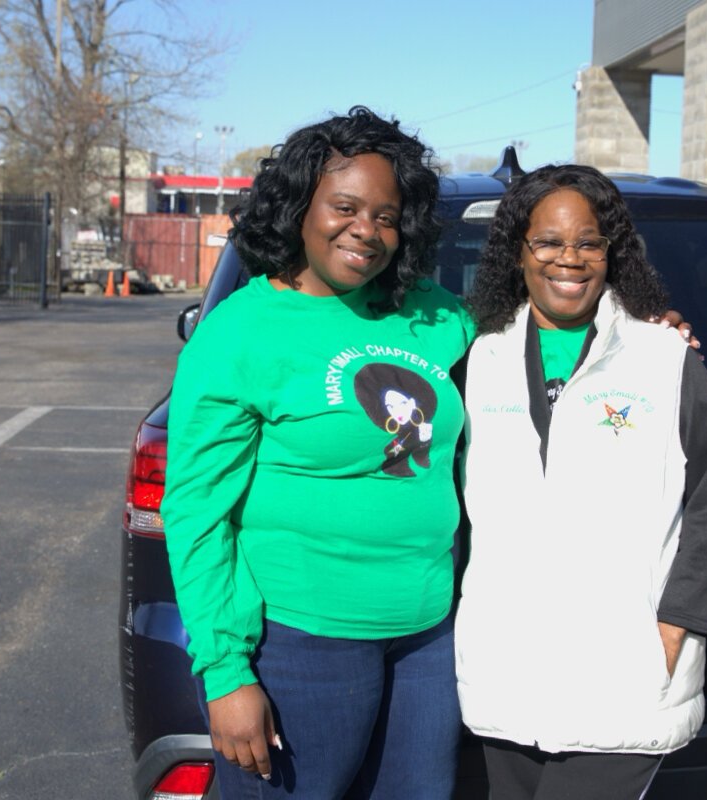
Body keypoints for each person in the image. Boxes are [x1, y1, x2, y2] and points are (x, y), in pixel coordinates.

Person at [161, 106, 471, 798]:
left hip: (427, 635)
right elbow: (197, 513)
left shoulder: (432, 313)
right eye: (346, 207)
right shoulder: (242, 331)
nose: (367, 230)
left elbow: (535, 335)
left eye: (387, 215)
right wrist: (225, 672)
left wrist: (642, 329)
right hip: (303, 640)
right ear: (301, 207)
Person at [455, 164, 707, 799]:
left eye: (588, 242)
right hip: (504, 671)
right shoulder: (479, 358)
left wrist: (675, 626)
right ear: (517, 252)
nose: (569, 259)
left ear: (612, 254)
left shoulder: (662, 357)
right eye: (548, 241)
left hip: (624, 673)